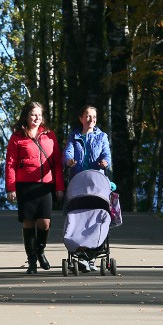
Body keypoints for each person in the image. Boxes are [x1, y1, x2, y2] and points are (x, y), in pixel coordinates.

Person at [5, 101, 65, 274]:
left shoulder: (49, 135)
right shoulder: (17, 137)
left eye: (39, 115)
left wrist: (59, 186)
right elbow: (10, 164)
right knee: (28, 222)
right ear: (26, 116)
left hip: (45, 185)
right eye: (33, 114)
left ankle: (40, 250)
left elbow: (57, 164)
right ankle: (31, 260)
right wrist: (11, 188)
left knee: (45, 223)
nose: (36, 118)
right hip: (25, 185)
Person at [62, 105, 112, 271]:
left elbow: (106, 154)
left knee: (97, 217)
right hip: (78, 183)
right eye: (88, 116)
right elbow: (68, 152)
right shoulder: (74, 136)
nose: (92, 120)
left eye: (94, 117)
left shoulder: (102, 136)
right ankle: (83, 254)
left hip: (96, 184)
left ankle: (89, 256)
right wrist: (69, 160)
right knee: (79, 218)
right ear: (81, 118)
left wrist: (105, 162)